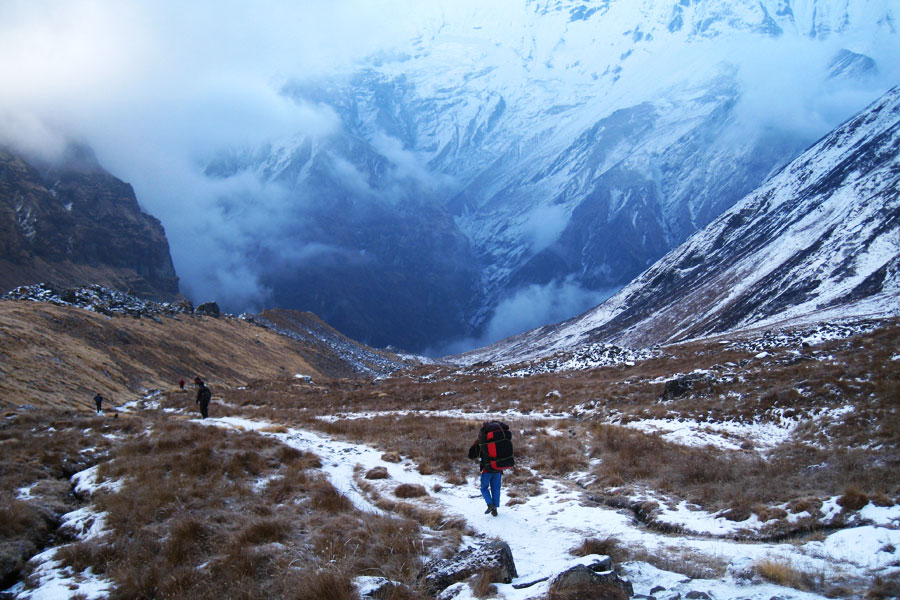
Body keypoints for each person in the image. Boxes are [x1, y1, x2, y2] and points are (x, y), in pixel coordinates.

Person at [468, 421, 514, 517]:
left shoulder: (481, 443)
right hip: (498, 468)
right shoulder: (499, 440)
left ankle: (490, 505)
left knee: (484, 488)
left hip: (486, 469)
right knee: (496, 489)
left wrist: (475, 444)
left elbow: (471, 455)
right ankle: (495, 508)